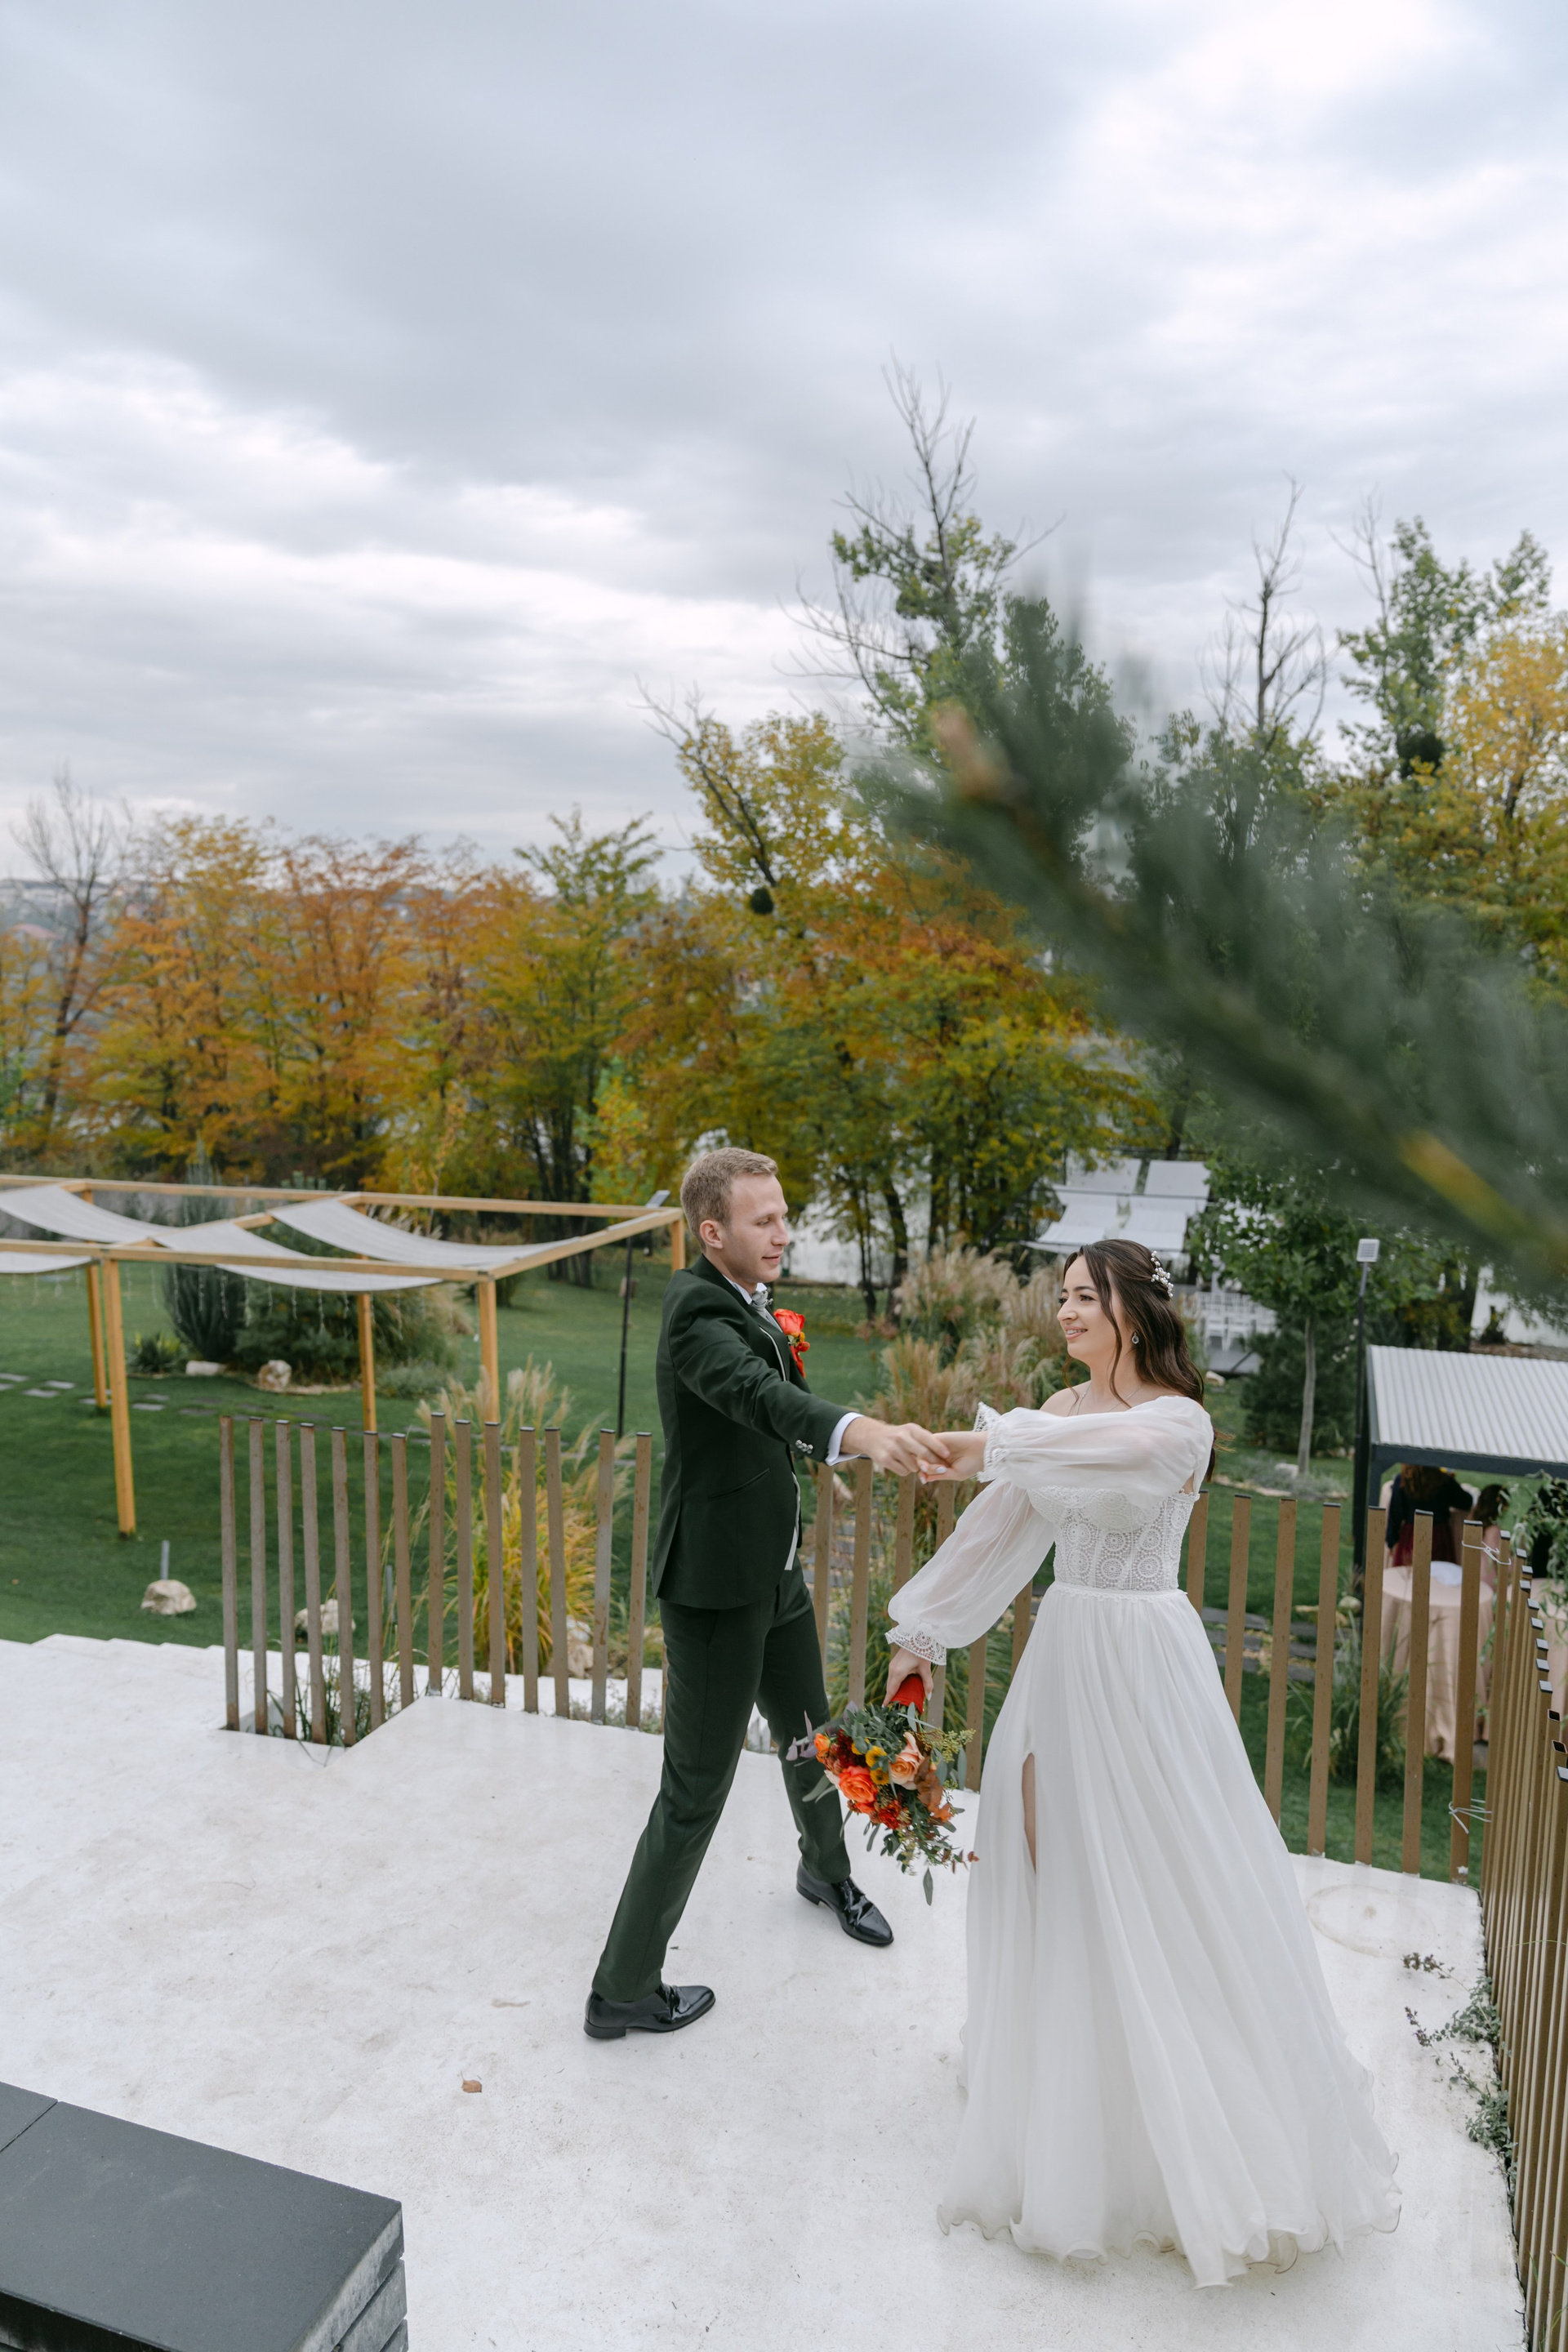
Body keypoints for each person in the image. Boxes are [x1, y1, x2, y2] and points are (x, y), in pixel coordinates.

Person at [882, 1239, 1399, 2287]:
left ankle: (1184, 2115)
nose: (1066, 1311)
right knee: (1048, 1865)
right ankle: (1066, 2094)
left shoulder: (1177, 1423)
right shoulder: (1055, 1414)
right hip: (1064, 1657)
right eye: (1061, 1296)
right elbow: (998, 1532)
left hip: (1146, 1665)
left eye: (1086, 1296)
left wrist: (977, 1443)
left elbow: (1086, 1458)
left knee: (1163, 1875)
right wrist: (921, 1637)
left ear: (1134, 1309)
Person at [584, 1148, 942, 2042]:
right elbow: (754, 1394)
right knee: (693, 1793)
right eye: (764, 1220)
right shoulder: (695, 1314)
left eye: (784, 1215)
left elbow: (776, 1397)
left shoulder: (748, 1300)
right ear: (713, 1233)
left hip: (773, 1576)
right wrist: (859, 1432)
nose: (784, 1232)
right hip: (715, 1593)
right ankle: (622, 1988)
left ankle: (825, 1872)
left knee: (813, 1737)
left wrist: (829, 1453)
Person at [1383, 1463, 1473, 1570]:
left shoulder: (1403, 1480)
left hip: (1411, 1534)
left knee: (1409, 1574)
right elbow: (1466, 1502)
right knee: (1438, 1573)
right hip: (1438, 1535)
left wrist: (1391, 1541)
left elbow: (1396, 1512)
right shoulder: (1442, 1479)